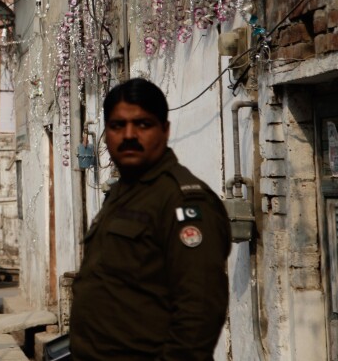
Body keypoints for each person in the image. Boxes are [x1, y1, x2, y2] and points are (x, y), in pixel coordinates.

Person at [69, 78, 231, 360]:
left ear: (165, 130)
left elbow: (199, 311)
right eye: (117, 126)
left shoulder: (182, 201)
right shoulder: (123, 192)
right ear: (106, 134)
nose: (129, 135)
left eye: (143, 124)